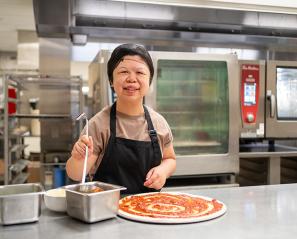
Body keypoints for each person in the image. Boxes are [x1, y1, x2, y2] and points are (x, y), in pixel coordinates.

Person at [66, 43, 176, 194]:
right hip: (107, 209)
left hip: (148, 208)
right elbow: (76, 174)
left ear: (149, 81)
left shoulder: (159, 123)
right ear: (111, 80)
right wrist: (78, 158)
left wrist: (163, 171)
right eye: (124, 72)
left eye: (140, 72)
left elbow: (170, 159)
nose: (132, 79)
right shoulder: (98, 125)